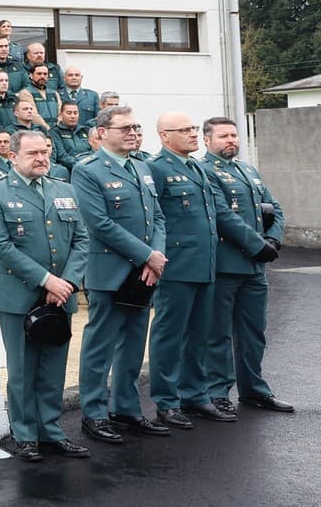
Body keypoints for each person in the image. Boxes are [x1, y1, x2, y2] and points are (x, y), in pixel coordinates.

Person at [146, 115, 272, 429]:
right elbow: (154, 219)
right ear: (164, 136)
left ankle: (194, 396)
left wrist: (264, 242)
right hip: (176, 265)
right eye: (185, 130)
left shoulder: (195, 167)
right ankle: (166, 403)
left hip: (206, 264)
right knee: (169, 336)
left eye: (192, 128)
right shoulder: (156, 168)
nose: (192, 134)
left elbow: (220, 214)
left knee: (198, 337)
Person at [0, 130, 90, 462]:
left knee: (53, 367)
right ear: (12, 156)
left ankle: (52, 431)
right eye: (33, 153)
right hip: (20, 296)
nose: (42, 158)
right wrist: (47, 280)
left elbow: (82, 240)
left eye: (45, 152)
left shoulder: (64, 189)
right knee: (23, 368)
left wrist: (67, 283)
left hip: (61, 296)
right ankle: (25, 434)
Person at [71, 105, 169, 445]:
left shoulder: (142, 167)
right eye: (124, 127)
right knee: (100, 346)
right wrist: (147, 256)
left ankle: (126, 408)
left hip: (144, 272)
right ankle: (94, 414)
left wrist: (154, 257)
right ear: (102, 133)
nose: (132, 132)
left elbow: (157, 217)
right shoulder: (88, 171)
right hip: (109, 272)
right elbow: (99, 223)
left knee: (132, 345)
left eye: (135, 127)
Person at [200, 117, 294, 415]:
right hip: (227, 264)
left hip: (255, 268)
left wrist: (274, 241)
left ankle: (254, 389)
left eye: (234, 135)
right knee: (219, 333)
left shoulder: (247, 170)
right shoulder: (205, 172)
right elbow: (223, 215)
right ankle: (217, 392)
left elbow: (274, 208)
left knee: (254, 331)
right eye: (224, 136)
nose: (231, 140)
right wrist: (259, 246)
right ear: (207, 141)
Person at [48, 101, 92, 172]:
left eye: (75, 113)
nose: (73, 116)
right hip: (69, 170)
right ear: (61, 114)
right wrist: (81, 164)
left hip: (89, 167)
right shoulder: (54, 132)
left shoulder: (85, 130)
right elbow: (61, 156)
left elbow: (93, 150)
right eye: (69, 113)